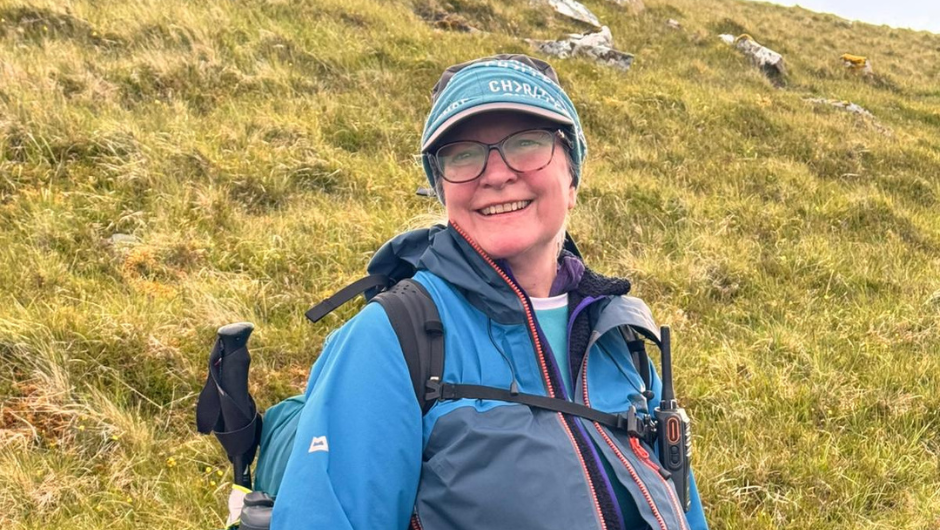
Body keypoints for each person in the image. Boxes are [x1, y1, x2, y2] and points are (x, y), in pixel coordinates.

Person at [270, 54, 709, 530]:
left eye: (526, 143)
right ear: (442, 189)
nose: (496, 174)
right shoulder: (393, 338)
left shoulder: (619, 337)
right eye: (462, 153)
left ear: (573, 176)